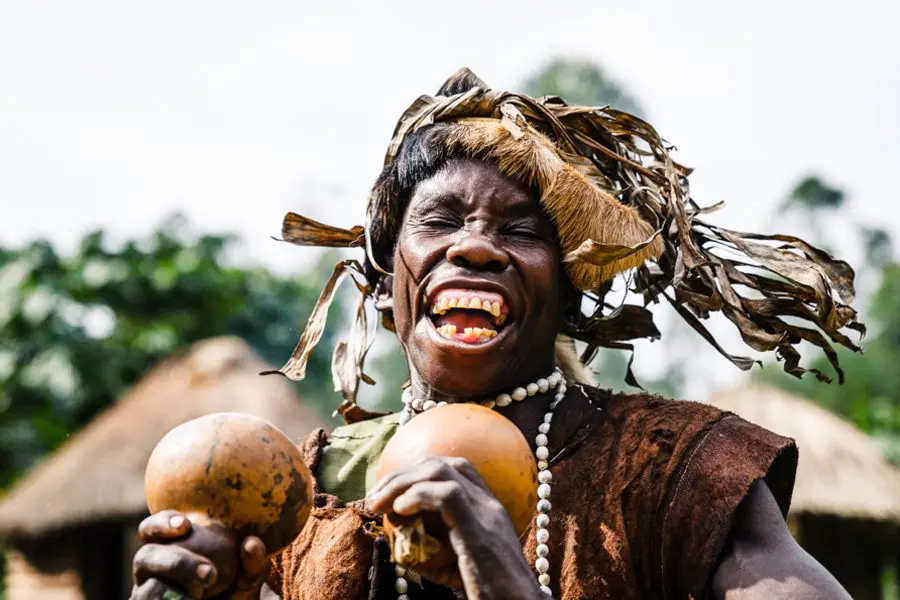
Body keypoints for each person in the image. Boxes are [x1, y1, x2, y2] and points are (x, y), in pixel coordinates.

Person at [131, 69, 862, 599]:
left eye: (520, 231)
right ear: (388, 285)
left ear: (568, 292)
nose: (477, 247)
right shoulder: (303, 488)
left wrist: (508, 582)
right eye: (441, 221)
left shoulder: (678, 469)